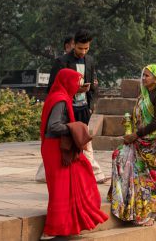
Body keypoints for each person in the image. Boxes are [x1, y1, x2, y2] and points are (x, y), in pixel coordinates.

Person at [39, 68, 108, 239]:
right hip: (56, 149)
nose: (79, 85)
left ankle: (67, 224)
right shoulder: (60, 100)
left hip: (57, 147)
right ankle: (51, 229)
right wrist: (76, 127)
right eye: (76, 82)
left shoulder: (60, 96)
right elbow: (53, 126)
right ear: (67, 82)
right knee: (60, 190)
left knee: (72, 181)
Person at [108, 64, 156, 226]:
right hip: (139, 139)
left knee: (152, 179)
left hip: (153, 144)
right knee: (119, 157)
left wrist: (135, 134)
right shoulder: (144, 94)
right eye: (143, 75)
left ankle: (151, 214)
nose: (143, 79)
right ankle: (125, 201)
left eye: (147, 76)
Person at [49, 28, 105, 181]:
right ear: (73, 45)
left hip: (83, 108)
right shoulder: (62, 62)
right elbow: (52, 88)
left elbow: (94, 86)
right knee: (66, 143)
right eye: (80, 48)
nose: (83, 51)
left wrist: (91, 105)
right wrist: (73, 90)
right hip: (67, 108)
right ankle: (64, 173)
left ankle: (92, 173)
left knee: (84, 140)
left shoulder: (90, 61)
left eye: (87, 48)